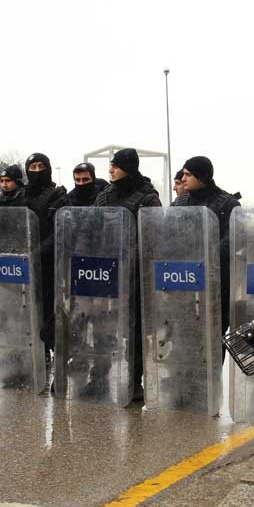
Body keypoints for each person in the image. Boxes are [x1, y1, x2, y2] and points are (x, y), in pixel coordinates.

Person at [95, 148, 162, 398]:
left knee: (134, 330)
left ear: (129, 168)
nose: (110, 170)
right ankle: (99, 376)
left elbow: (155, 236)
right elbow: (94, 230)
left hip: (135, 274)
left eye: (115, 166)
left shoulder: (147, 197)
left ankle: (134, 381)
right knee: (102, 326)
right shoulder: (103, 197)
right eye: (110, 165)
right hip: (106, 273)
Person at [172, 156, 240, 334]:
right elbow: (167, 236)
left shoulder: (228, 203)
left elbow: (233, 239)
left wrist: (205, 258)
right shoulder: (179, 203)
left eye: (188, 174)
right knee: (184, 334)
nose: (183, 178)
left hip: (216, 283)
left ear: (202, 177)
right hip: (183, 281)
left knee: (213, 334)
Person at [18, 153, 69, 362]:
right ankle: (36, 360)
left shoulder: (58, 196)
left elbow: (60, 230)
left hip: (49, 267)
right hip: (22, 266)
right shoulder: (20, 196)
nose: (36, 171)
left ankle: (59, 361)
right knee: (26, 314)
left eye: (41, 166)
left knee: (51, 317)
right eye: (32, 167)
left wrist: (38, 253)